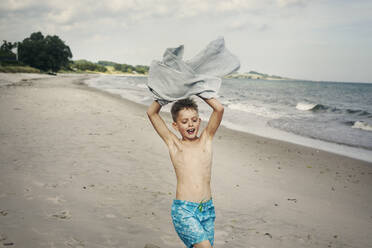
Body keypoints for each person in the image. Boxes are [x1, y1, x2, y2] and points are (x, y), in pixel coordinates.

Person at [146, 96, 224, 248]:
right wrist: (165, 95)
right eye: (184, 121)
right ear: (175, 125)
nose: (190, 124)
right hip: (184, 211)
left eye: (194, 120)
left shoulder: (206, 140)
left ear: (199, 121)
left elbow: (219, 109)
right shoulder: (175, 145)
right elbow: (152, 113)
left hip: (207, 209)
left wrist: (199, 90)